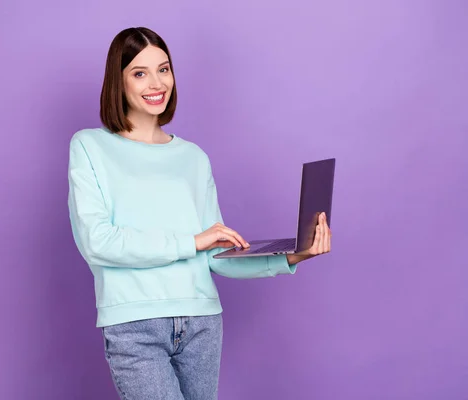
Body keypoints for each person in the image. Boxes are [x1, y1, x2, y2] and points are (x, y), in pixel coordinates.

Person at [67, 27, 332, 400]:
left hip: (203, 323)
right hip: (134, 325)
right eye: (139, 73)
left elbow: (214, 256)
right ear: (118, 81)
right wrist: (191, 241)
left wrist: (291, 256)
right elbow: (99, 242)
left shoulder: (192, 157)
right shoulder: (90, 146)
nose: (157, 83)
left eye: (164, 69)